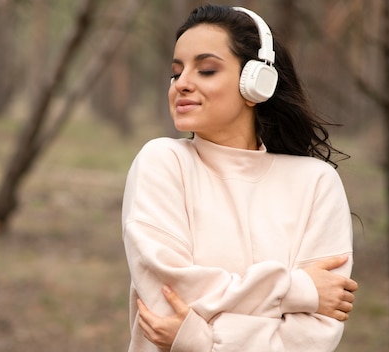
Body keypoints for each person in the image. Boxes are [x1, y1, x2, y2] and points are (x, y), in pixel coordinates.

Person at [121, 4, 359, 352]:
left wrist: (201, 340)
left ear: (257, 82)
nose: (182, 84)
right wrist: (298, 290)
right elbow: (167, 298)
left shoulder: (316, 184)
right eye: (176, 72)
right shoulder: (162, 163)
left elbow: (313, 336)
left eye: (205, 70)